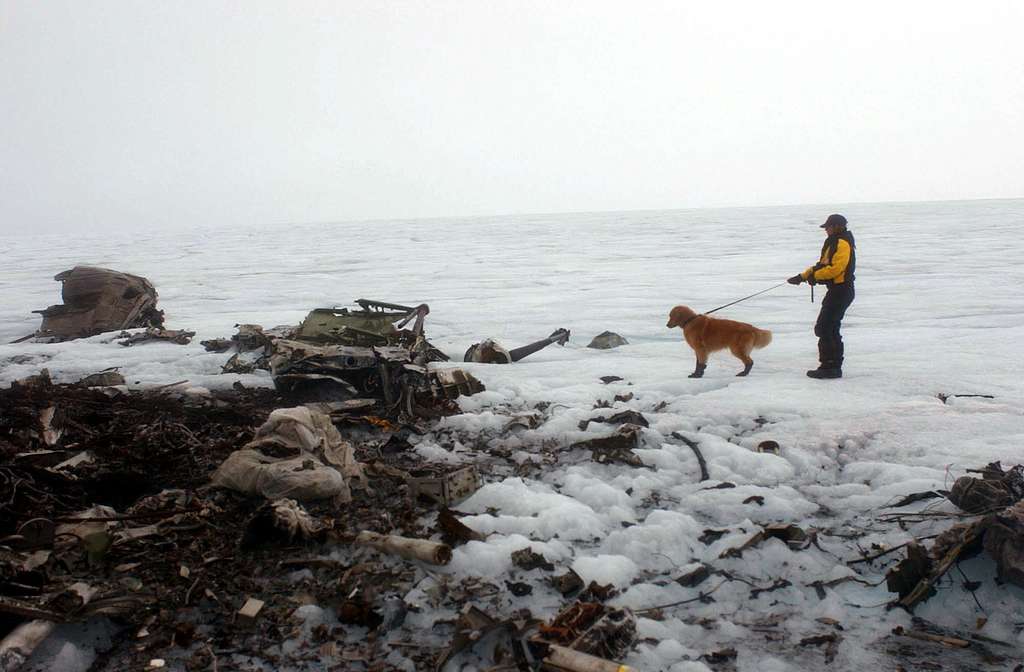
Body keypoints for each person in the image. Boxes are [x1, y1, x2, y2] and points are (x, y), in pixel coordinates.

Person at [787, 214, 856, 379]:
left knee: (825, 327)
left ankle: (831, 367)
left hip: (841, 290)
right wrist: (802, 276)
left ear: (837, 226)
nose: (826, 230)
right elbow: (821, 265)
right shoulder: (833, 242)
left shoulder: (842, 242)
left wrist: (815, 277)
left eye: (828, 227)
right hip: (837, 290)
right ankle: (831, 365)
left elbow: (836, 269)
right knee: (828, 327)